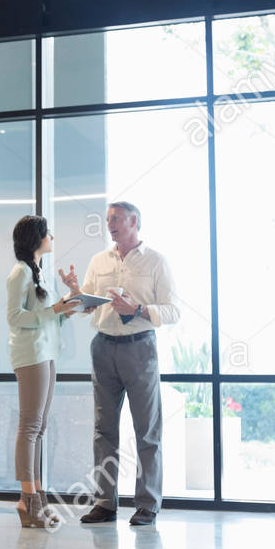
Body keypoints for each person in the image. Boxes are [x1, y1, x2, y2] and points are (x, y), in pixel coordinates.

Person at [59, 201, 178, 526]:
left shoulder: (156, 261)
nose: (109, 224)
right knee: (104, 430)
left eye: (115, 219)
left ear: (133, 221)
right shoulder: (99, 261)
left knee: (147, 431)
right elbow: (88, 306)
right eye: (107, 219)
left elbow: (172, 311)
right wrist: (76, 293)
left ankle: (147, 505)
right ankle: (104, 503)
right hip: (103, 347)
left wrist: (138, 309)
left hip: (140, 349)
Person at [7, 215, 80, 527]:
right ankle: (27, 501)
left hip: (48, 353)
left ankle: (37, 496)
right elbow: (14, 317)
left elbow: (50, 316)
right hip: (31, 354)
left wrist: (69, 303)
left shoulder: (39, 273)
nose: (51, 235)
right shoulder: (19, 273)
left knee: (39, 427)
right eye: (47, 232)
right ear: (35, 238)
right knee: (29, 426)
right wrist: (54, 310)